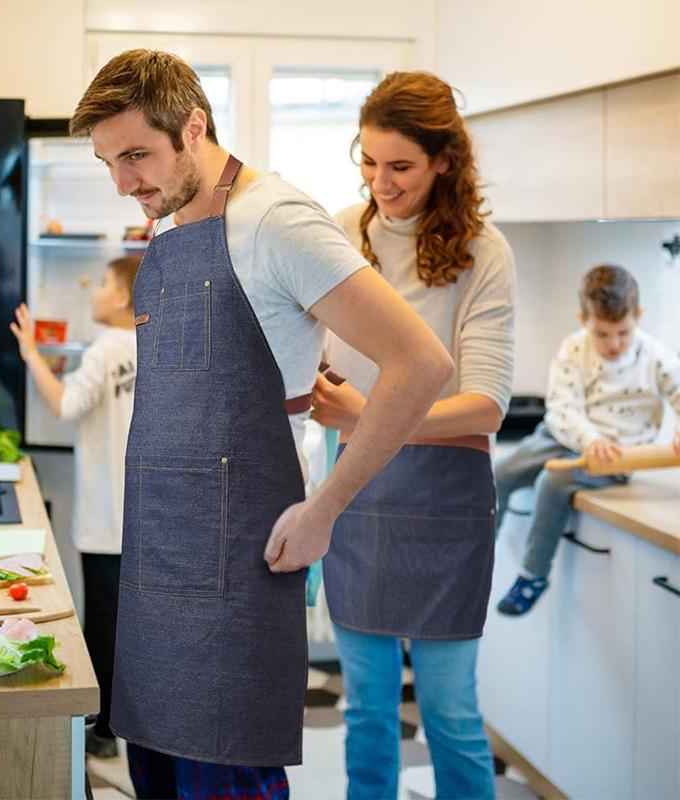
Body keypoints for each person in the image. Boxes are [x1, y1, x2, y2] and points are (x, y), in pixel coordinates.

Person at [68, 49, 454, 800]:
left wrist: (327, 507)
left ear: (194, 127)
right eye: (108, 163)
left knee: (229, 775)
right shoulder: (172, 221)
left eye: (138, 155)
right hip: (158, 567)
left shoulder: (276, 219)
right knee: (159, 777)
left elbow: (420, 363)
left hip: (239, 563)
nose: (125, 184)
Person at [313, 71, 515, 800]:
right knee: (366, 712)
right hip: (356, 490)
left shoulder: (484, 252)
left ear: (444, 162)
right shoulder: (342, 231)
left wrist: (367, 415)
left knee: (451, 714)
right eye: (367, 162)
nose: (379, 183)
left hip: (446, 501)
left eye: (399, 166)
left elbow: (485, 405)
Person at [9, 256, 140, 758]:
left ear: (124, 296)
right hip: (145, 515)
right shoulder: (150, 343)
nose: (96, 291)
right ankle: (130, 724)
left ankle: (103, 731)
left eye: (104, 283)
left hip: (106, 517)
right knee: (134, 624)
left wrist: (30, 353)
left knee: (104, 619)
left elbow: (65, 406)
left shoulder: (106, 348)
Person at [495, 264, 680, 615]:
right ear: (583, 319)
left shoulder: (654, 355)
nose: (614, 344)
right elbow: (563, 407)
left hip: (617, 454)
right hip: (563, 436)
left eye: (623, 333)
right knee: (500, 471)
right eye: (603, 333)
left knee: (554, 480)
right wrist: (589, 438)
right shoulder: (573, 349)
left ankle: (533, 574)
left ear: (638, 316)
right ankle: (480, 553)